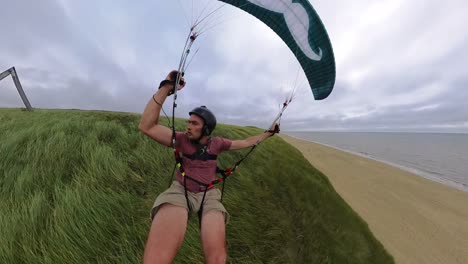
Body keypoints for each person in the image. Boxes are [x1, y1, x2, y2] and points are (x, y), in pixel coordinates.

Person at [139, 70, 279, 264]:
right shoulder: (180, 139)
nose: (188, 126)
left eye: (194, 123)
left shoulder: (218, 143)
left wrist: (268, 133)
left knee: (217, 258)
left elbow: (247, 142)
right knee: (156, 258)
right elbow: (147, 126)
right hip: (181, 190)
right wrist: (166, 87)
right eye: (189, 122)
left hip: (209, 194)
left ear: (206, 129)